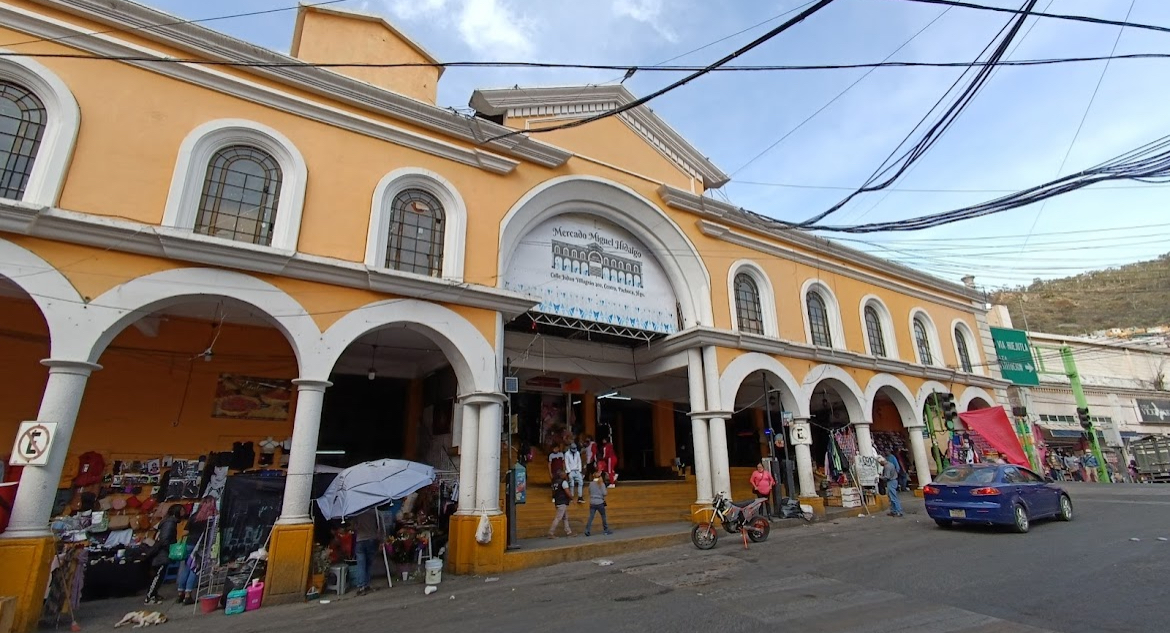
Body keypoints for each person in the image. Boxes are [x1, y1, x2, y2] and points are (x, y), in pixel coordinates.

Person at [175, 496, 217, 605]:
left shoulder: (194, 516)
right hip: (199, 546)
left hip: (188, 544)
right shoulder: (211, 519)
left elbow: (186, 532)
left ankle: (180, 593)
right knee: (194, 569)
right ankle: (188, 595)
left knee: (185, 568)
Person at [144, 505, 183, 604]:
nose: (184, 512)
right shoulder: (170, 523)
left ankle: (154, 594)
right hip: (162, 553)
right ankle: (150, 596)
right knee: (158, 574)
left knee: (160, 574)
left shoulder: (169, 522)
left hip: (162, 551)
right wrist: (169, 549)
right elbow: (165, 539)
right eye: (182, 510)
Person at [351, 508, 381, 596]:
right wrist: (382, 540)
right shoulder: (375, 512)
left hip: (360, 540)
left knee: (360, 564)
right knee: (369, 563)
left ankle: (361, 586)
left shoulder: (358, 512)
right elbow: (380, 526)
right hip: (371, 538)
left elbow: (354, 527)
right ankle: (367, 583)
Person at [584, 471, 612, 536]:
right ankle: (606, 530)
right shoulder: (601, 484)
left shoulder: (591, 484)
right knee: (603, 516)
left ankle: (587, 530)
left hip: (592, 502)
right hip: (600, 502)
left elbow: (589, 491)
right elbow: (605, 493)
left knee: (591, 517)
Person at [548, 471, 573, 538]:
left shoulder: (555, 483)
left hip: (557, 501)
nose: (566, 476)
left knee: (565, 517)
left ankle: (568, 532)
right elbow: (567, 492)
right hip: (562, 501)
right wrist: (571, 497)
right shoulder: (563, 482)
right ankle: (551, 532)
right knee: (558, 518)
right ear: (562, 476)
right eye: (565, 475)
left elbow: (553, 492)